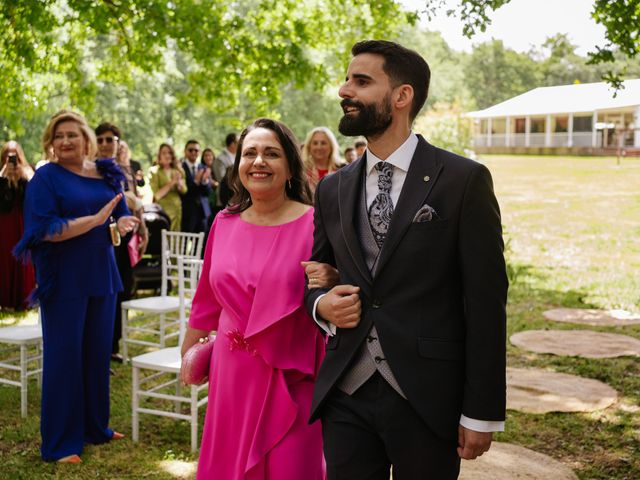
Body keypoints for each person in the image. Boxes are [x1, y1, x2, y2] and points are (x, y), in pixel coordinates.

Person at [303, 40, 508, 479]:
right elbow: (316, 275)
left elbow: (486, 301)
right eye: (346, 79)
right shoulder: (332, 189)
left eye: (361, 81)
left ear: (401, 95)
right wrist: (321, 305)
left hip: (429, 396)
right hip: (346, 394)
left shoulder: (463, 180)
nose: (344, 89)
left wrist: (482, 412)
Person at [181, 118, 329, 480]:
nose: (259, 161)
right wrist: (187, 356)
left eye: (271, 154)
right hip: (233, 377)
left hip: (294, 377)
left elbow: (332, 291)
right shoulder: (223, 223)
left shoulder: (317, 223)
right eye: (250, 153)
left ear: (291, 167)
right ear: (239, 166)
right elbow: (205, 302)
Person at [13, 110, 139, 463]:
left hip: (102, 272)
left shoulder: (107, 173)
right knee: (64, 358)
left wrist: (121, 224)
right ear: (50, 144)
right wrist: (95, 221)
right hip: (63, 277)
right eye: (58, 136)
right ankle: (60, 444)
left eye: (72, 134)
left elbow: (116, 220)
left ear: (86, 138)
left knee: (97, 355)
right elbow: (44, 230)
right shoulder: (45, 178)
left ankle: (95, 427)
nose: (65, 141)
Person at [95, 124, 148, 362]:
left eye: (110, 139)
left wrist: (143, 229)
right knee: (103, 293)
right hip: (100, 239)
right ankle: (99, 348)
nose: (106, 143)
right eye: (101, 139)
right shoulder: (90, 170)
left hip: (124, 236)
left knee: (122, 289)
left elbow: (136, 206)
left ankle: (112, 346)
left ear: (118, 142)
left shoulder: (124, 170)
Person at [0, 141, 35, 310]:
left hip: (22, 222)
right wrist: (3, 177)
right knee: (5, 259)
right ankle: (5, 300)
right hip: (5, 223)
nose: (10, 158)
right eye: (7, 154)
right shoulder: (1, 175)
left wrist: (24, 177)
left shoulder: (27, 174)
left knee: (23, 257)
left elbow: (32, 199)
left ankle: (23, 299)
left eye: (14, 154)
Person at [149, 143, 187, 231]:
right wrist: (172, 182)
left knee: (176, 238)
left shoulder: (178, 171)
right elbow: (157, 195)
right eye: (164, 153)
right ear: (159, 156)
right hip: (163, 211)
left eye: (169, 153)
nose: (167, 155)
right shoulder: (154, 171)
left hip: (177, 209)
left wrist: (179, 184)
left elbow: (184, 190)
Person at [181, 139, 211, 233]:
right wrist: (196, 181)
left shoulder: (204, 167)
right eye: (190, 150)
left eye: (196, 150)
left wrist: (205, 182)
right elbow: (184, 192)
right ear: (185, 151)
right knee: (184, 244)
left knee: (202, 245)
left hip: (203, 213)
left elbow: (208, 192)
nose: (193, 152)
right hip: (187, 212)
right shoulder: (180, 168)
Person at [302, 126, 342, 193]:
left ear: (331, 146)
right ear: (309, 147)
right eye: (315, 143)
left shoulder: (342, 169)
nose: (319, 147)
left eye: (323, 143)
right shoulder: (301, 169)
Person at [213, 133, 238, 208]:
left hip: (237, 198)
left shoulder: (238, 156)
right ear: (232, 144)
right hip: (225, 197)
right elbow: (221, 178)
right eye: (239, 142)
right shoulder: (220, 159)